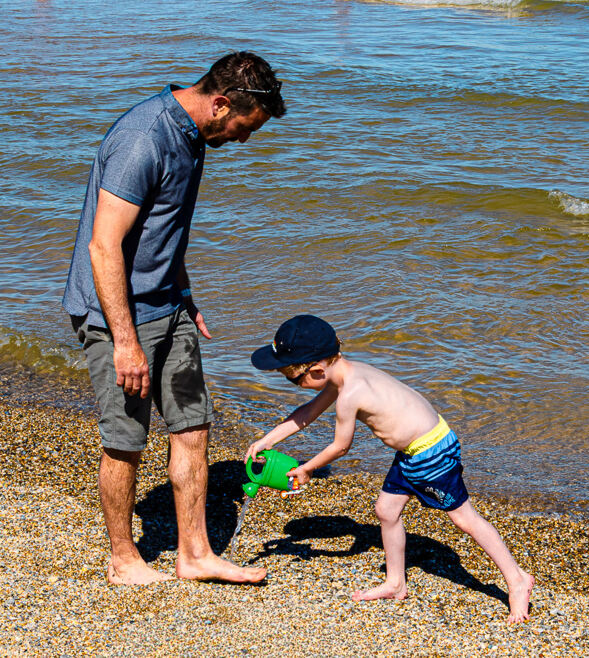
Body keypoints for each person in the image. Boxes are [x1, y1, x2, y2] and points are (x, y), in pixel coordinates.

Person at [62, 52, 286, 585]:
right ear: (219, 103)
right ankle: (124, 559)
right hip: (116, 316)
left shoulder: (193, 137)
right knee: (126, 440)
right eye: (242, 127)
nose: (243, 139)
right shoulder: (144, 138)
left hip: (168, 305)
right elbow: (104, 245)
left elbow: (164, 229)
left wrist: (184, 290)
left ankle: (195, 554)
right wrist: (124, 341)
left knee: (192, 427)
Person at [244, 315, 534, 622]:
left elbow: (341, 447)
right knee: (386, 510)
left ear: (316, 370)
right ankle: (396, 583)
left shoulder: (350, 394)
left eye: (291, 376)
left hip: (430, 453)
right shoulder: (346, 374)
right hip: (412, 451)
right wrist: (268, 439)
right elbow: (308, 412)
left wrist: (307, 468)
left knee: (465, 518)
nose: (293, 383)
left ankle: (517, 580)